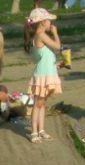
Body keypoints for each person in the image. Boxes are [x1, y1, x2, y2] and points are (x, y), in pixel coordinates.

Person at [24, 8, 62, 144]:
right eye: (48, 20)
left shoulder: (38, 35)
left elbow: (44, 57)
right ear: (42, 22)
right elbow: (57, 46)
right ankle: (34, 131)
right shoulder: (40, 35)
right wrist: (55, 33)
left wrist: (56, 65)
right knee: (38, 104)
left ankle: (41, 130)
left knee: (42, 103)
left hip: (46, 73)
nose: (50, 22)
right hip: (42, 76)